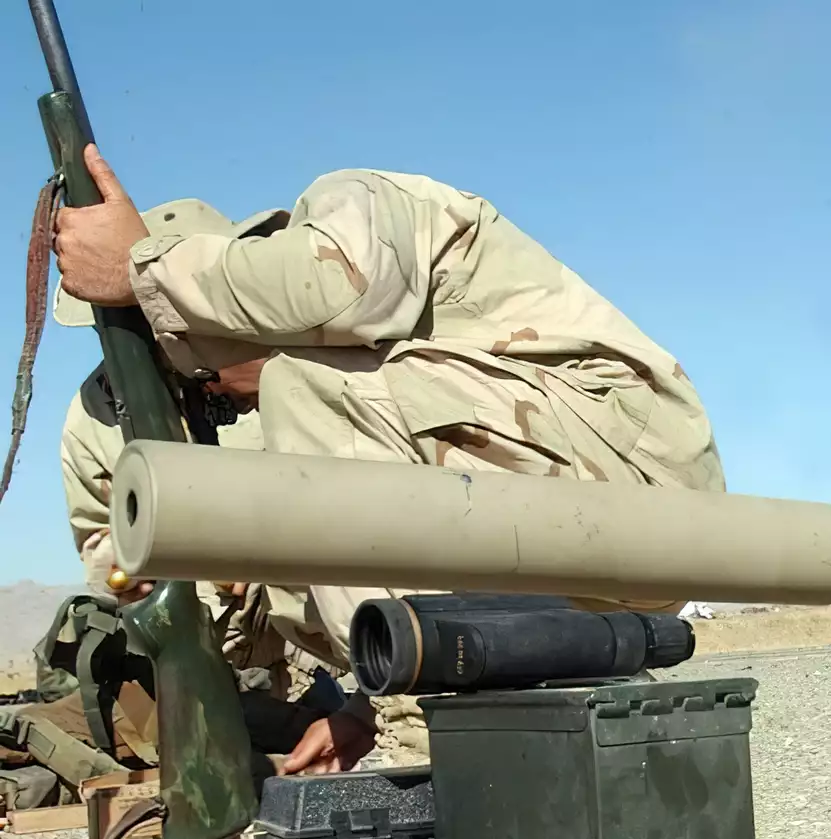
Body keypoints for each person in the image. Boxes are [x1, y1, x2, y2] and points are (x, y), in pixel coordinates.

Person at [52, 149, 727, 771]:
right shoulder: (346, 408)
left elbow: (337, 286)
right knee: (289, 542)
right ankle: (522, 700)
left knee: (303, 393)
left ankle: (424, 737)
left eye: (190, 354)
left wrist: (142, 269)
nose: (206, 387)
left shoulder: (353, 204)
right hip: (583, 548)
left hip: (639, 488)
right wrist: (360, 710)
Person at [50, 198, 416, 774]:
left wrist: (255, 541)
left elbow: (371, 506)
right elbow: (106, 549)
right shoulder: (94, 415)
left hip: (329, 639)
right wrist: (147, 571)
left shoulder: (288, 363)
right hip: (208, 652)